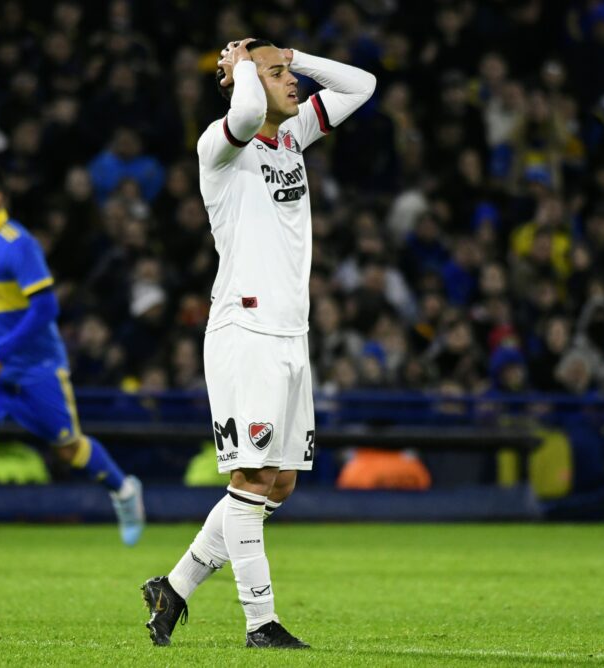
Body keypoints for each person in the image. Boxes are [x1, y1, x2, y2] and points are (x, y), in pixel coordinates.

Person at [140, 37, 375, 649]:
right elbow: (245, 112)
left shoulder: (292, 137)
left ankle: (174, 587)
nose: (292, 80)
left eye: (288, 71)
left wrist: (291, 54)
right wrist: (243, 68)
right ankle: (260, 623)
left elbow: (362, 85)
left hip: (292, 335)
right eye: (277, 73)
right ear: (245, 80)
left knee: (281, 483)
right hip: (245, 333)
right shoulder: (219, 146)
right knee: (252, 476)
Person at [0, 162, 144, 571]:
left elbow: (46, 307)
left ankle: (124, 490)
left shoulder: (17, 244)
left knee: (67, 448)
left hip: (35, 365)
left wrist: (2, 352)